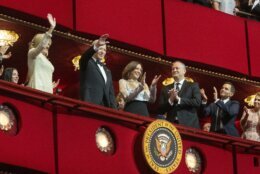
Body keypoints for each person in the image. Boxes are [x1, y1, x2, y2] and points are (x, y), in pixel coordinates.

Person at [158, 61, 201, 128]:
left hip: (189, 125)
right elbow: (160, 109)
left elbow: (197, 102)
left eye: (177, 68)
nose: (174, 70)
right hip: (171, 125)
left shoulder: (193, 86)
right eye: (173, 69)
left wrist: (179, 99)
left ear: (184, 71)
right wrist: (171, 100)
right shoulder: (166, 88)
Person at [79, 34, 117, 109]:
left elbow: (111, 94)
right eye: (100, 48)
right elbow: (84, 57)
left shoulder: (108, 71)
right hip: (90, 104)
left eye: (105, 50)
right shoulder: (87, 62)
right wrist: (97, 45)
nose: (103, 52)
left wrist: (115, 111)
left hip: (105, 108)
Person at [26, 13, 59, 94]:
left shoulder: (47, 61)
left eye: (49, 44)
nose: (48, 45)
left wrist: (50, 85)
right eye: (47, 42)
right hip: (36, 90)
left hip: (48, 92)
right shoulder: (32, 54)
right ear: (38, 43)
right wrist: (51, 28)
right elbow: (42, 45)